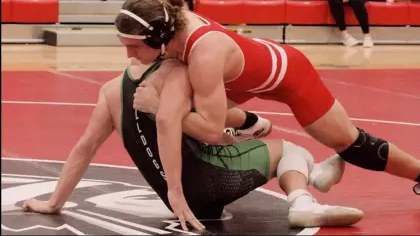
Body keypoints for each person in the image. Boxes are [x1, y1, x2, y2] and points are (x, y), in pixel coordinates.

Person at [115, 0, 420, 223]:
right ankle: (257, 128)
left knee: (352, 144)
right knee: (194, 111)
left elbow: (208, 127)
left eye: (133, 47)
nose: (129, 55)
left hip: (288, 75)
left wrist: (161, 105)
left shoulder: (203, 54)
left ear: (159, 38)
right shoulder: (167, 21)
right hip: (241, 76)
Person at [22, 58, 364, 231]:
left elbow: (85, 147)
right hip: (211, 181)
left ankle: (317, 174)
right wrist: (251, 123)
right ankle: (304, 197)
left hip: (180, 202)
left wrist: (55, 202)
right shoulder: (176, 74)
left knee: (241, 145)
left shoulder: (112, 92)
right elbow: (213, 130)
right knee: (291, 150)